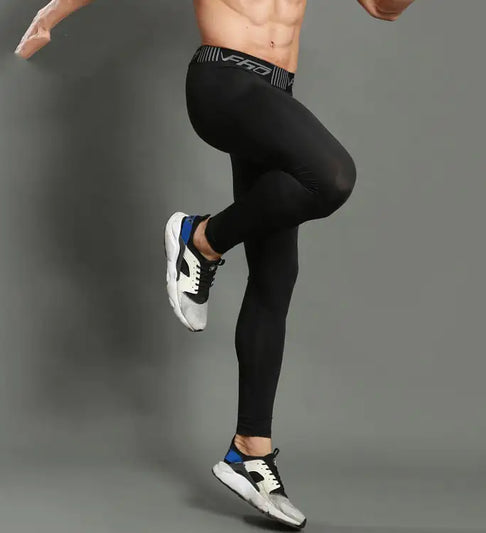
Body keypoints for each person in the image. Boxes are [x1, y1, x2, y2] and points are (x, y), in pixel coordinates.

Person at [16, 0, 416, 529]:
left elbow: (384, 9)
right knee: (331, 176)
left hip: (276, 95)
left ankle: (250, 451)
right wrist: (49, 15)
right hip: (224, 82)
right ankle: (201, 239)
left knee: (275, 277)